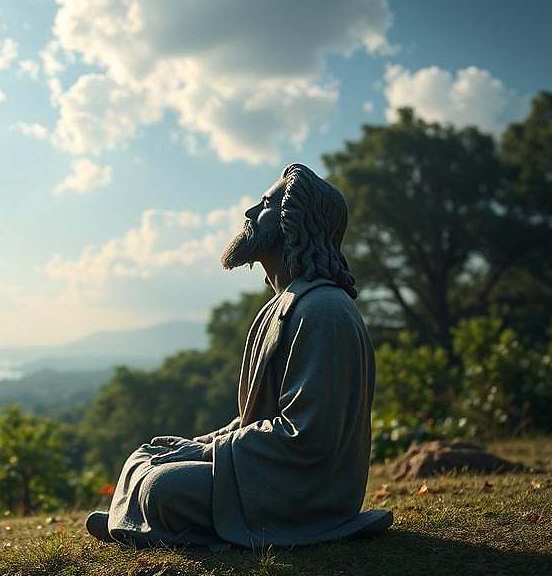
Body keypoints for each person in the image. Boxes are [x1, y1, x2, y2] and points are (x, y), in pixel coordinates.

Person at [85, 163, 392, 549]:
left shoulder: (324, 310)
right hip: (262, 470)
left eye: (265, 203)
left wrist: (205, 452)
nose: (250, 212)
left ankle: (148, 519)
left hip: (302, 490)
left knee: (160, 487)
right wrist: (202, 443)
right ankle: (136, 522)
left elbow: (308, 436)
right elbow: (256, 421)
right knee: (146, 455)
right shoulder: (283, 305)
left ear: (294, 221)